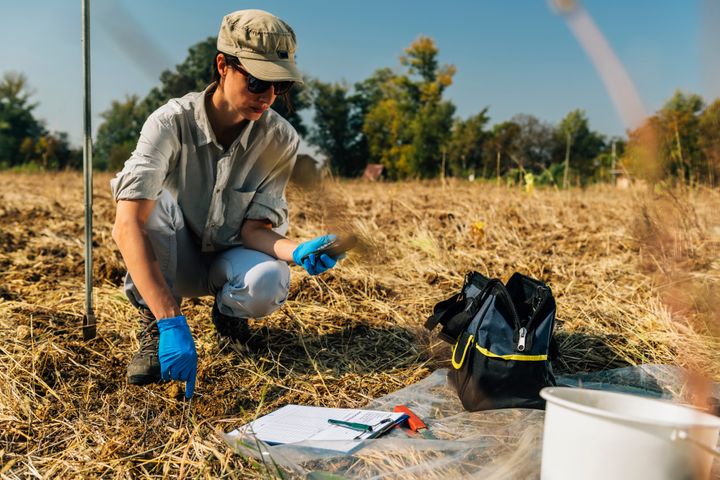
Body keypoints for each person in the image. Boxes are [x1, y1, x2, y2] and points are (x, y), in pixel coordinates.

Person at [110, 9, 342, 400]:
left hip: (226, 258)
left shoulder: (280, 140)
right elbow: (127, 225)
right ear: (223, 65)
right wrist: (170, 320)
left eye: (279, 85)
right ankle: (155, 324)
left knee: (270, 279)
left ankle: (230, 317)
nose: (267, 96)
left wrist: (296, 251)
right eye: (256, 81)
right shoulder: (170, 123)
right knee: (155, 204)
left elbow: (255, 230)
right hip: (172, 259)